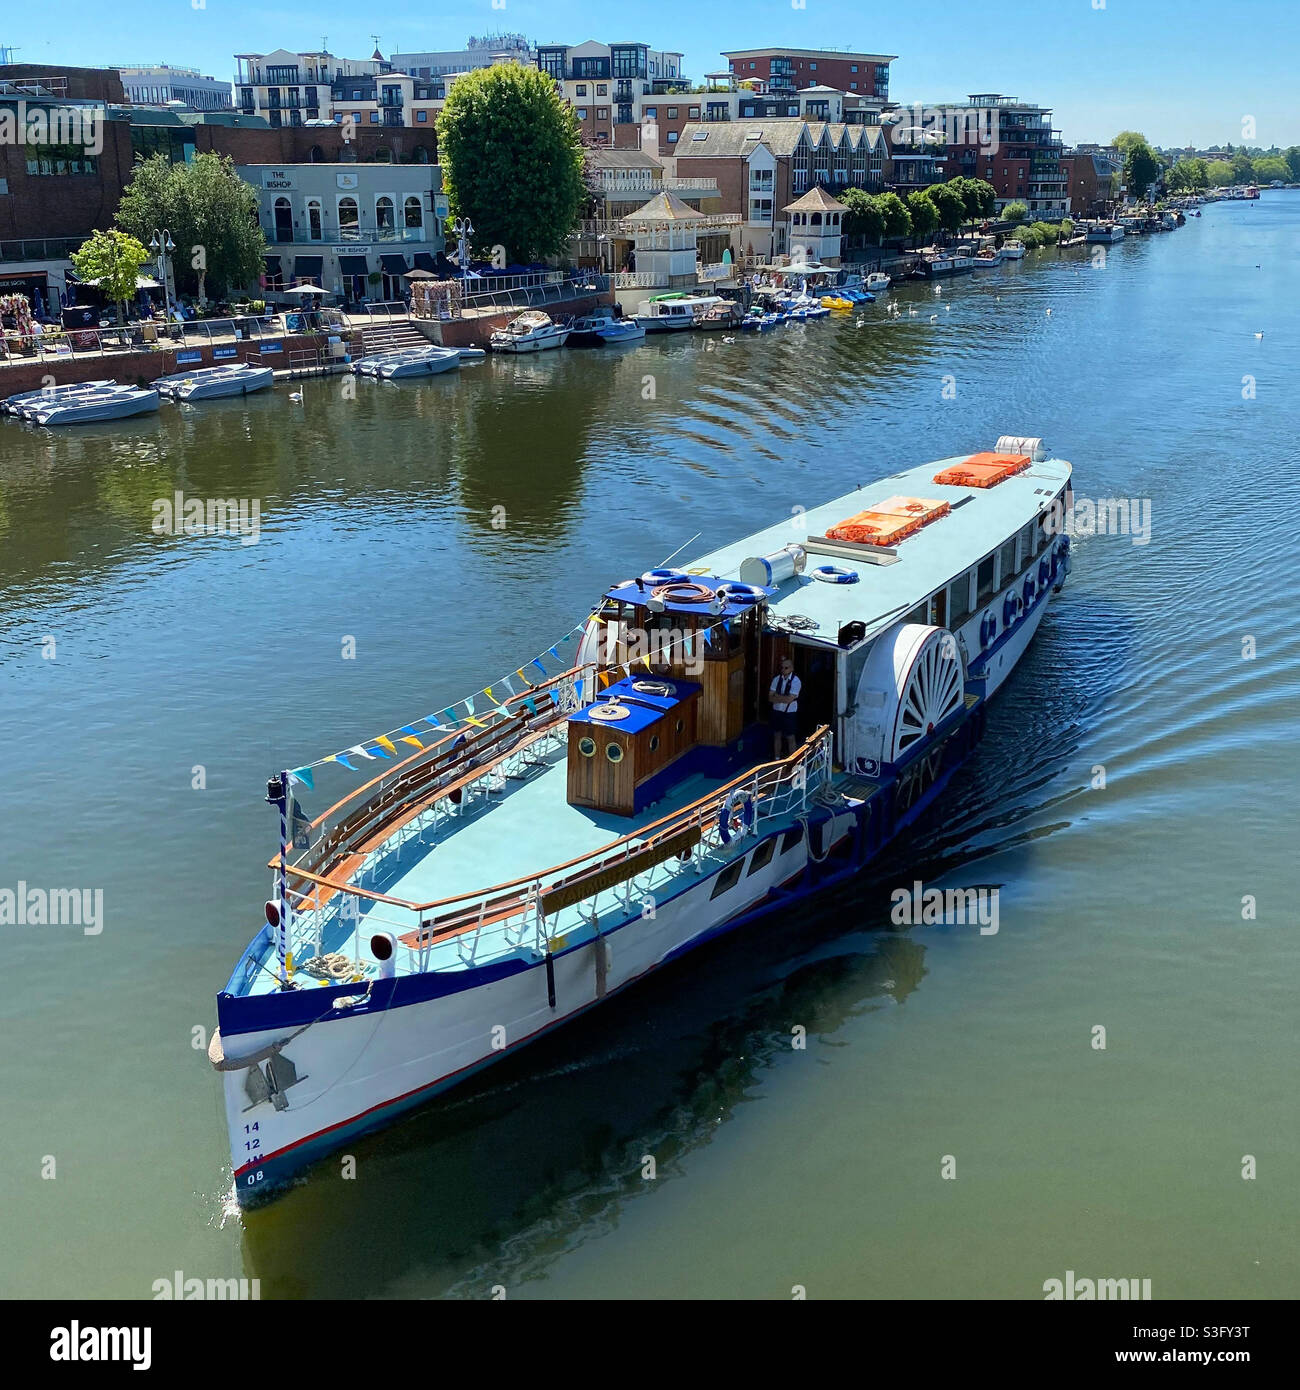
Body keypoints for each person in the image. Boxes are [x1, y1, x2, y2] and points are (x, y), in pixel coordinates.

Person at [769, 657, 801, 758]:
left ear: (792, 668)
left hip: (790, 713)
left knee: (790, 737)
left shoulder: (796, 681)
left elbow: (789, 700)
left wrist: (777, 697)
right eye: (782, 668)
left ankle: (792, 761)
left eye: (786, 668)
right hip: (777, 711)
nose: (783, 670)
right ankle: (777, 759)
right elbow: (770, 698)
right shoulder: (776, 679)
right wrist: (784, 698)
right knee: (776, 735)